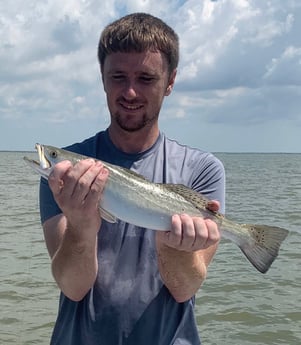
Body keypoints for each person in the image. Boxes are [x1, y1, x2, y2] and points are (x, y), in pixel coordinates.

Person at [39, 12, 225, 345]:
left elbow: (183, 290)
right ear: (103, 79)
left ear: (170, 82)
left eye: (146, 78)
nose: (130, 91)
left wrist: (175, 247)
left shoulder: (203, 170)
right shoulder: (64, 174)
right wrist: (81, 226)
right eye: (118, 77)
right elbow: (73, 287)